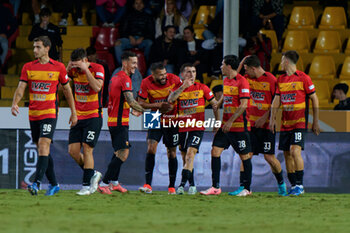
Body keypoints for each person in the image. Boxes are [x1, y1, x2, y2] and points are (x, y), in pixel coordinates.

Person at [11, 36, 77, 196]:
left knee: (43, 145)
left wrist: (74, 112)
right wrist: (15, 103)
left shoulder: (58, 67)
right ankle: (54, 184)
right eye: (34, 47)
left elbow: (67, 91)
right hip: (33, 114)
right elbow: (21, 88)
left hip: (50, 113)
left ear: (47, 48)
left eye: (38, 47)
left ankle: (36, 183)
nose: (34, 50)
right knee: (42, 150)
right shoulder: (28, 67)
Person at [229, 55, 287, 196]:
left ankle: (281, 184)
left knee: (269, 158)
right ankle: (244, 187)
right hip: (249, 126)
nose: (246, 73)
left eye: (247, 70)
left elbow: (277, 102)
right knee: (246, 155)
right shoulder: (247, 79)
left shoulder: (271, 80)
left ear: (253, 68)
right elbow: (234, 77)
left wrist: (265, 117)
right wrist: (243, 61)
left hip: (266, 126)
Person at [200, 55, 253, 197]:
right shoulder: (227, 80)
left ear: (229, 66)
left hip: (239, 127)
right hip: (225, 127)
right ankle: (215, 187)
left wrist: (230, 121)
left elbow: (243, 105)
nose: (220, 67)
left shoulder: (242, 82)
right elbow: (226, 95)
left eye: (222, 64)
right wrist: (218, 102)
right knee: (215, 152)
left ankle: (246, 188)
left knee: (245, 156)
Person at [270, 50, 320, 196]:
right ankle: (293, 185)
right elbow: (277, 100)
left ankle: (300, 185)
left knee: (294, 151)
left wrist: (315, 121)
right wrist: (273, 118)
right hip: (286, 123)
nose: (280, 63)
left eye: (281, 60)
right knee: (286, 154)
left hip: (299, 123)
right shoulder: (281, 80)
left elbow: (314, 99)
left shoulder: (304, 78)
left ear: (286, 61)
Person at [98, 51, 145, 194]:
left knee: (118, 152)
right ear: (125, 63)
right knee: (124, 153)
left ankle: (114, 182)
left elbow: (120, 100)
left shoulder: (115, 77)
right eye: (133, 63)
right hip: (119, 122)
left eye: (136, 63)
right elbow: (130, 100)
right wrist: (143, 110)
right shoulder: (125, 79)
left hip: (115, 120)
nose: (135, 66)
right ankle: (104, 183)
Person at [168, 63, 218, 195]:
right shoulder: (177, 88)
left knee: (190, 154)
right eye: (188, 72)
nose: (192, 74)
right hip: (182, 128)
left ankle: (181, 185)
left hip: (197, 128)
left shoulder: (202, 88)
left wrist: (217, 121)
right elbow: (170, 99)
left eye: (194, 71)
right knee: (185, 158)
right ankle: (193, 185)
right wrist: (183, 87)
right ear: (182, 74)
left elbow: (214, 104)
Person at [138, 62, 182, 194]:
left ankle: (171, 187)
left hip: (173, 118)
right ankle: (148, 185)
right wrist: (159, 106)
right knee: (151, 148)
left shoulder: (174, 79)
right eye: (160, 75)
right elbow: (141, 102)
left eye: (164, 74)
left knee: (172, 152)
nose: (163, 77)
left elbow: (183, 93)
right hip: (154, 116)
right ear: (153, 75)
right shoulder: (146, 82)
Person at [66, 48, 104, 195]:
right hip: (78, 116)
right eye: (74, 64)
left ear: (85, 60)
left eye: (78, 64)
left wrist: (86, 70)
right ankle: (93, 174)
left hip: (93, 116)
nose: (77, 68)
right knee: (73, 152)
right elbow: (61, 87)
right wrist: (67, 70)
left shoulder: (97, 68)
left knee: (87, 149)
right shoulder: (73, 71)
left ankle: (86, 186)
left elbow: (97, 87)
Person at [0, 2, 17, 67]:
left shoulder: (4, 10)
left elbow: (14, 25)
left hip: (2, 37)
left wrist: (7, 34)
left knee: (4, 45)